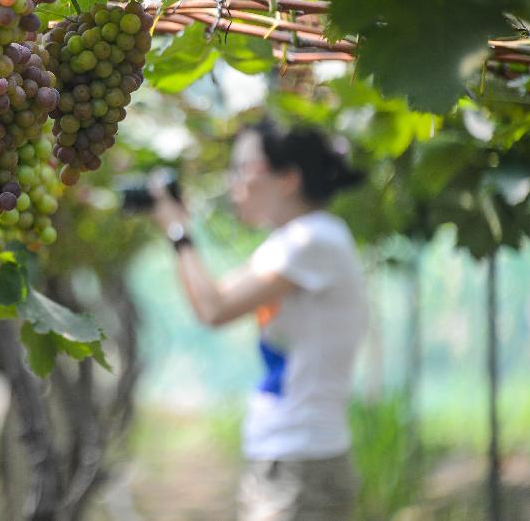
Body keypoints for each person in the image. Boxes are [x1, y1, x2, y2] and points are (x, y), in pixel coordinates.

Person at [150, 119, 368, 521]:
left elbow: (214, 308)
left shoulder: (314, 239)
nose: (234, 183)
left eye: (242, 169)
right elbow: (209, 303)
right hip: (285, 457)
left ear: (287, 179)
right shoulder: (290, 243)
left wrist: (178, 231)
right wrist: (177, 229)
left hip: (302, 461)